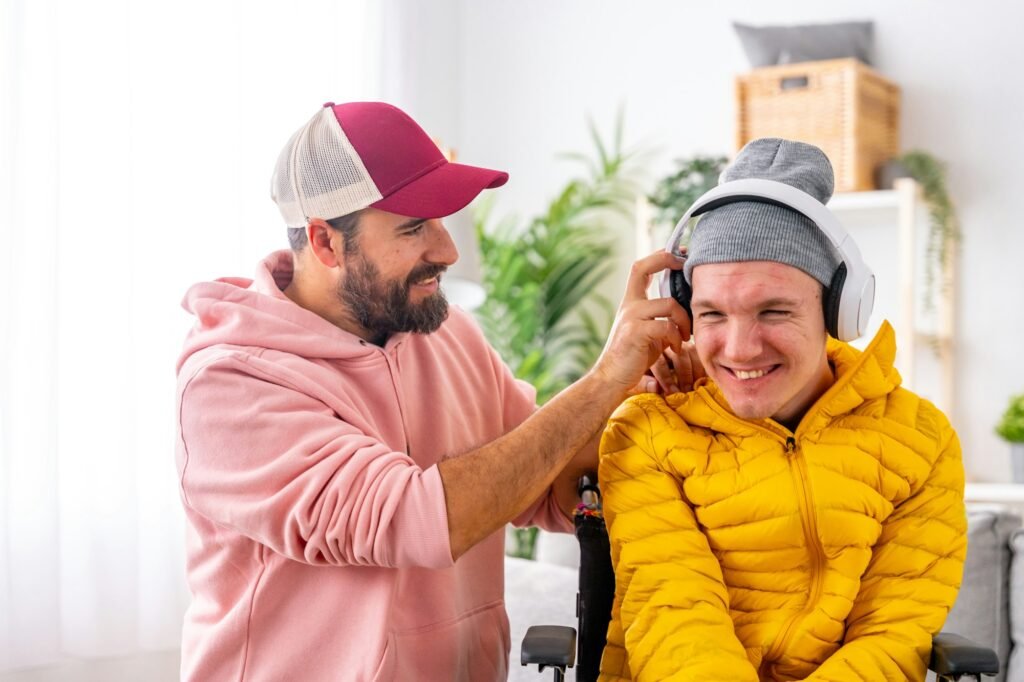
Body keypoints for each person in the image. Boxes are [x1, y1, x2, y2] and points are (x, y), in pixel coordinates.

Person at [173, 100, 692, 681]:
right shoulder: (231, 384)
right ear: (325, 243)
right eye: (414, 228)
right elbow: (411, 522)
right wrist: (602, 380)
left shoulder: (447, 334)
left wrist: (649, 401)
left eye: (441, 221)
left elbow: (549, 483)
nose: (447, 251)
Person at [597, 138, 967, 681]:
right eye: (713, 314)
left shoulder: (921, 439)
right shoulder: (646, 433)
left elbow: (893, 635)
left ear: (838, 311)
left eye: (774, 310)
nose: (741, 348)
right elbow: (676, 621)